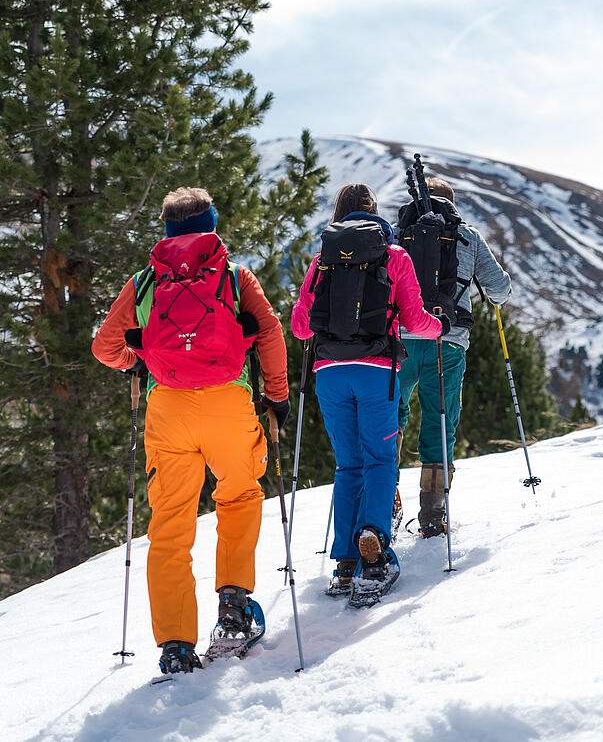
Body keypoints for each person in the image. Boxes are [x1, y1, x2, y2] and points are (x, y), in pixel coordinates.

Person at [92, 187, 289, 674]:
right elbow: (269, 332)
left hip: (169, 408)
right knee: (239, 497)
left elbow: (104, 346)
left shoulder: (143, 284)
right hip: (229, 401)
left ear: (166, 230)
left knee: (170, 528)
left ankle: (176, 646)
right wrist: (277, 396)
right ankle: (235, 610)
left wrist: (136, 363)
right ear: (212, 223)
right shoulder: (235, 275)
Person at [291, 183, 444, 601]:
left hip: (330, 373)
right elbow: (415, 319)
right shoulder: (393, 256)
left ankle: (344, 563)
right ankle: (374, 545)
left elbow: (301, 327)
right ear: (375, 213)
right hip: (378, 371)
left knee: (348, 465)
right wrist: (440, 327)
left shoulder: (322, 260)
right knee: (380, 461)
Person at [396, 175, 512, 537]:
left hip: (400, 340)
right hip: (447, 340)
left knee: (388, 419)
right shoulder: (468, 236)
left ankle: (385, 506)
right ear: (452, 203)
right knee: (439, 420)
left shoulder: (399, 236)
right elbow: (499, 290)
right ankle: (433, 516)